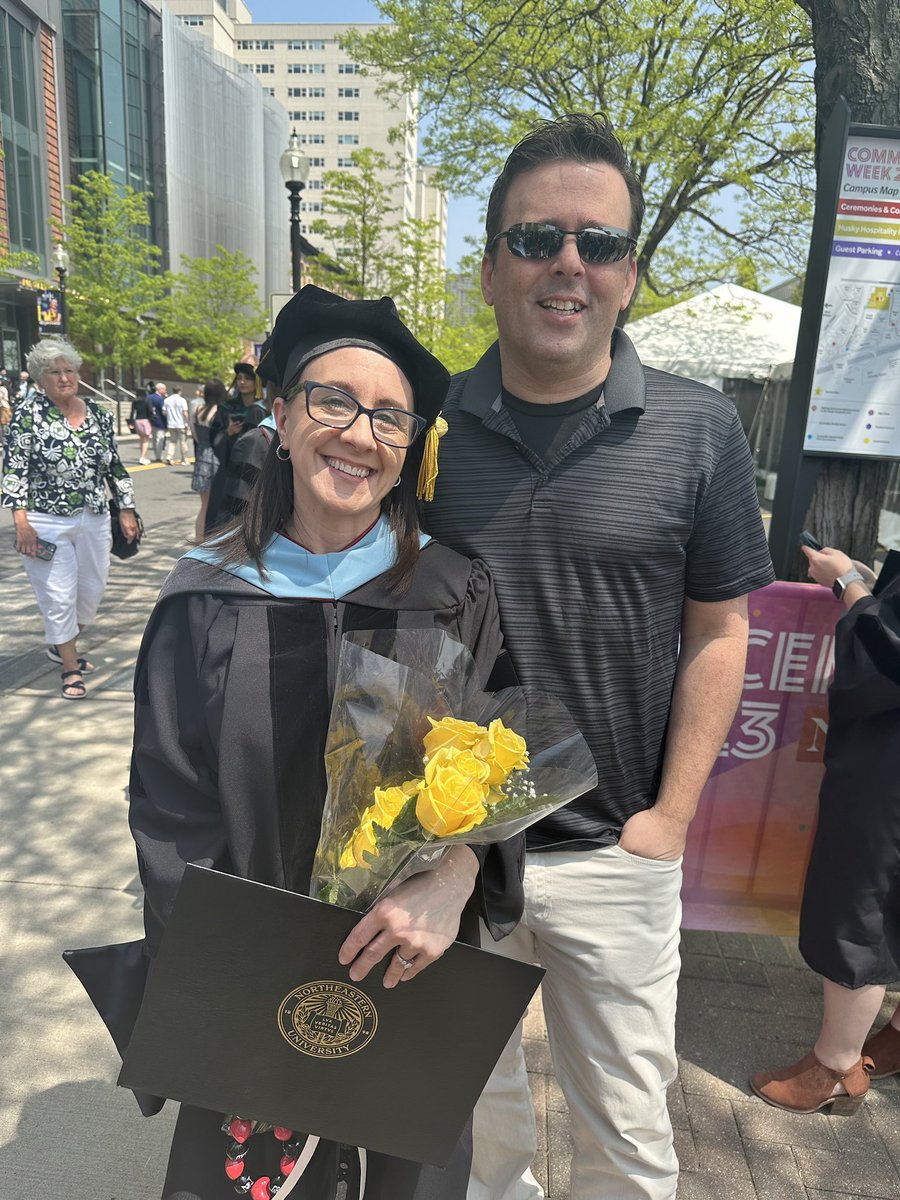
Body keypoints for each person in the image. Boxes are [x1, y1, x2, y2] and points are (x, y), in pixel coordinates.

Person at [89, 285, 521, 1199]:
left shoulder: (453, 590)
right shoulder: (203, 597)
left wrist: (455, 876)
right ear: (280, 417)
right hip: (252, 983)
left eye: (389, 417)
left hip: (408, 968)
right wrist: (234, 968)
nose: (358, 434)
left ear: (410, 450)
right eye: (332, 401)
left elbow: (496, 775)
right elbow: (168, 810)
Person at [424, 114, 776, 1200]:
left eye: (599, 243)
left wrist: (667, 822)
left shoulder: (698, 429)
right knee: (464, 1129)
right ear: (490, 271)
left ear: (630, 276)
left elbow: (722, 631)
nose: (568, 263)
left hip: (613, 855)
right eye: (536, 240)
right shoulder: (424, 430)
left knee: (626, 1142)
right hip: (448, 854)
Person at [750, 545, 900, 1115]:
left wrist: (848, 586)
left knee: (863, 894)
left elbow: (890, 648)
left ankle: (836, 1065)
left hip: (890, 764)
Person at [1, 336, 139, 699]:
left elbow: (114, 466)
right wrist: (21, 522)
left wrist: (125, 507)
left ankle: (62, 642)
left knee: (91, 591)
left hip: (92, 516)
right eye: (54, 372)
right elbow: (15, 470)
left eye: (70, 370)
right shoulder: (28, 415)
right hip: (44, 521)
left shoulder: (98, 414)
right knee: (58, 596)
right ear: (39, 379)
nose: (64, 377)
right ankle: (69, 665)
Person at [204, 360, 267, 532]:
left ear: (257, 382)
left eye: (247, 378)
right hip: (228, 471)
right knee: (219, 520)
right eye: (239, 378)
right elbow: (213, 437)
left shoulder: (263, 410)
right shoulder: (227, 408)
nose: (242, 382)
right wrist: (227, 433)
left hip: (254, 474)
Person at [189, 379, 224, 539]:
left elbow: (195, 436)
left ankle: (199, 540)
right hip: (216, 458)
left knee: (203, 505)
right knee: (215, 504)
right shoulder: (219, 411)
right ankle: (211, 540)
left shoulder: (197, 410)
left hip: (201, 457)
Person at [162, 386, 190, 465]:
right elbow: (185, 412)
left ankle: (169, 456)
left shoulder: (167, 400)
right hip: (180, 423)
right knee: (183, 442)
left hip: (171, 423)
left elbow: (164, 412)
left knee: (172, 441)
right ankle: (184, 459)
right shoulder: (182, 400)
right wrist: (187, 423)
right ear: (180, 391)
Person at [129, 390, 154, 464]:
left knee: (141, 439)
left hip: (138, 420)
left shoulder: (135, 401)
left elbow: (132, 412)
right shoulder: (147, 400)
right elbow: (150, 410)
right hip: (145, 420)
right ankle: (143, 457)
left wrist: (131, 422)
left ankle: (144, 456)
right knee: (146, 440)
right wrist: (152, 419)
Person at [149, 383, 168, 462]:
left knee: (154, 439)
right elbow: (163, 411)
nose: (165, 391)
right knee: (160, 439)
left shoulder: (149, 397)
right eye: (164, 389)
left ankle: (156, 454)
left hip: (151, 421)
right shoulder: (160, 399)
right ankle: (158, 456)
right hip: (160, 421)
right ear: (160, 389)